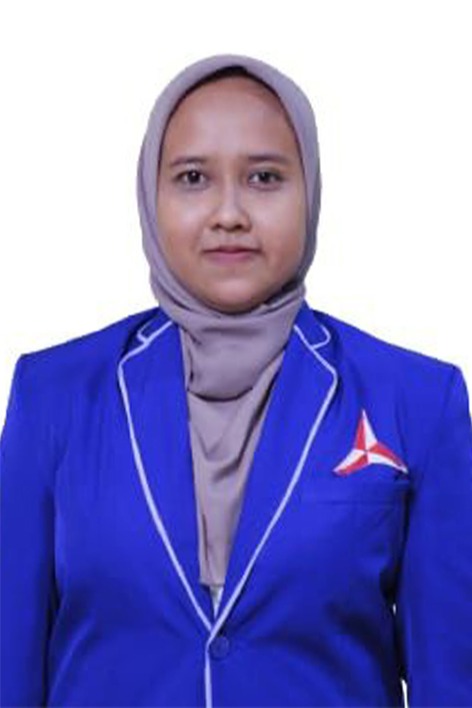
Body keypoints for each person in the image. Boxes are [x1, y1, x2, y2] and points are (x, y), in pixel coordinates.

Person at [1, 53, 471, 708]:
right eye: (193, 178)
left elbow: (452, 682)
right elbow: (10, 666)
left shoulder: (417, 400)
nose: (229, 213)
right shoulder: (53, 394)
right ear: (151, 195)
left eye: (264, 177)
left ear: (311, 192)